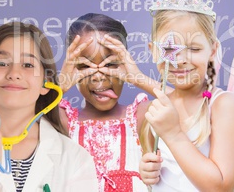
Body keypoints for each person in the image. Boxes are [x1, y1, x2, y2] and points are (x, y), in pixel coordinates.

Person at [0, 21, 98, 192]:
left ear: (46, 83)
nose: (14, 74)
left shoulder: (75, 158)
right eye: (1, 63)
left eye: (28, 65)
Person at [139, 0, 234, 191]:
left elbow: (221, 187)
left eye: (194, 49)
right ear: (153, 51)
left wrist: (174, 134)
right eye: (170, 48)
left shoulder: (222, 105)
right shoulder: (156, 108)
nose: (180, 59)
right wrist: (147, 171)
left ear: (212, 50)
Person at [59, 13, 161, 192]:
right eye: (85, 66)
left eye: (111, 64)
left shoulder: (141, 116)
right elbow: (18, 119)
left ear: (125, 63)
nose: (98, 76)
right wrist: (59, 87)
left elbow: (187, 107)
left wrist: (138, 78)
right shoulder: (63, 121)